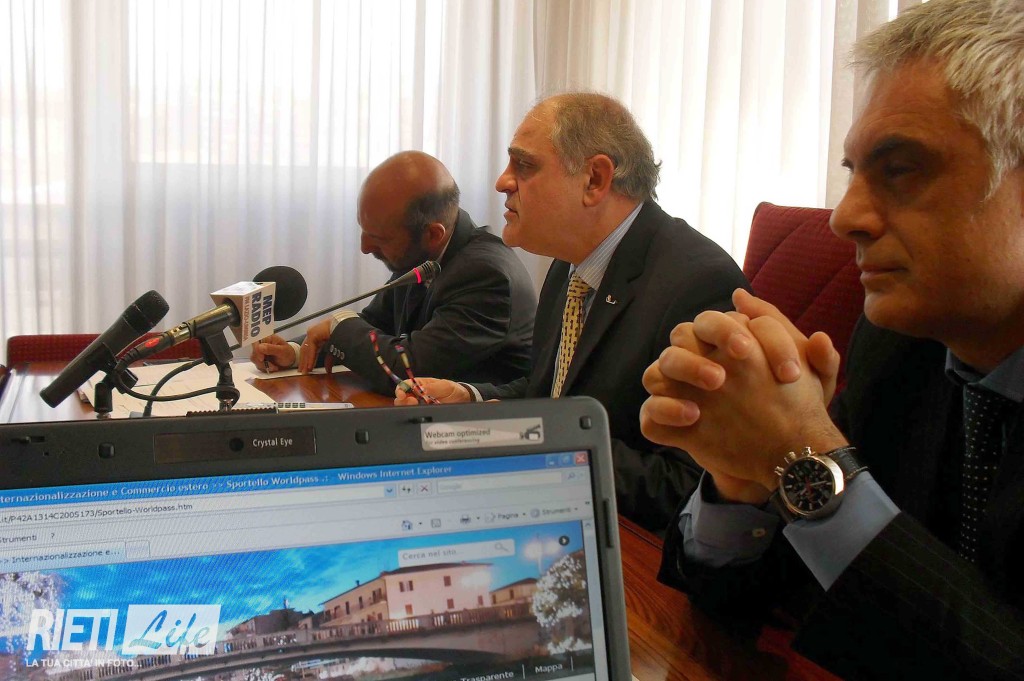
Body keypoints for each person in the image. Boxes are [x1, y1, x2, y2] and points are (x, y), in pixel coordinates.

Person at [641, 1, 1024, 678]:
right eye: (853, 172)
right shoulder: (897, 346)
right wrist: (742, 476)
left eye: (900, 169)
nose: (845, 216)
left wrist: (805, 458)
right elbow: (758, 597)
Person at [396, 93, 749, 531]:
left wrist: (529, 436)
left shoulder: (696, 284)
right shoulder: (571, 265)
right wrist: (472, 400)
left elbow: (691, 485)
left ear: (594, 180)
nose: (502, 182)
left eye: (524, 165)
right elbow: (553, 395)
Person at [251, 151, 537, 396]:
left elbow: (408, 368)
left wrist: (339, 327)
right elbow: (375, 325)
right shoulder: (427, 254)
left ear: (432, 234)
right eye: (363, 230)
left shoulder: (486, 275)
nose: (364, 247)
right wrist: (295, 352)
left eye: (380, 238)